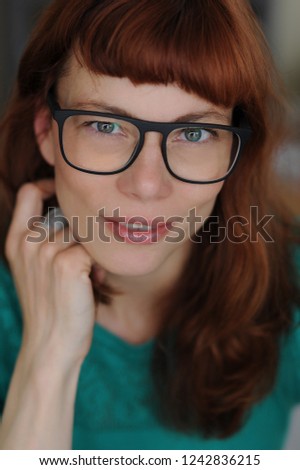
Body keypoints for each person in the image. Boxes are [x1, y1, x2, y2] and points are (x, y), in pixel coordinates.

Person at [0, 0, 299, 451]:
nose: (146, 184)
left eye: (193, 134)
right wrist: (48, 356)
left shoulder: (288, 285)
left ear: (234, 154)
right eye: (106, 125)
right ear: (47, 130)